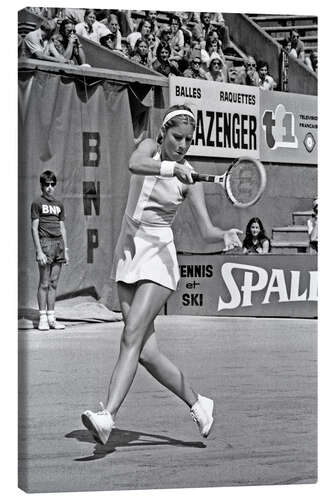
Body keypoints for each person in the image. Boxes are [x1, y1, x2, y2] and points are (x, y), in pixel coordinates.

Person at [81, 105, 243, 445]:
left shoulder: (191, 178)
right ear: (164, 133)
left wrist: (224, 235)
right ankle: (199, 403)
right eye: (177, 137)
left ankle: (107, 416)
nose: (182, 145)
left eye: (188, 140)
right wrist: (171, 169)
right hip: (128, 254)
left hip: (159, 259)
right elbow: (134, 165)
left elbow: (206, 229)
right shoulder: (147, 150)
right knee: (145, 352)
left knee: (130, 335)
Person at [31, 170, 69, 331]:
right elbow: (34, 228)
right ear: (41, 185)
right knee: (44, 283)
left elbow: (62, 227)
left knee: (54, 283)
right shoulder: (37, 203)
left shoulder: (59, 204)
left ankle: (52, 318)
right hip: (45, 244)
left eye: (52, 184)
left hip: (59, 244)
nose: (50, 188)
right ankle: (42, 318)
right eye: (46, 184)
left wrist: (66, 250)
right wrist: (39, 251)